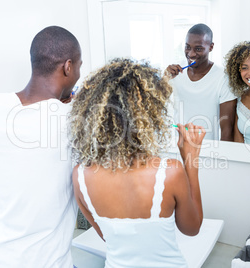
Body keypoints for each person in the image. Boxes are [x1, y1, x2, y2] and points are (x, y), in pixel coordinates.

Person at [69, 58, 205, 267]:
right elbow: (192, 228)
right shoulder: (169, 172)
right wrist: (191, 160)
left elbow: (108, 236)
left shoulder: (80, 176)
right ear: (150, 114)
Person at [0, 26, 82, 267]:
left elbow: (38, 112)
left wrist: (60, 104)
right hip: (47, 262)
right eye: (78, 66)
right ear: (67, 67)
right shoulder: (70, 122)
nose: (78, 73)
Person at [166, 23, 236, 141]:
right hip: (178, 146)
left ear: (211, 47)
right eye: (188, 47)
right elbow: (156, 105)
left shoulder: (223, 78)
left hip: (209, 151)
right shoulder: (175, 72)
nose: (191, 54)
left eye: (198, 49)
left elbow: (227, 129)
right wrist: (164, 80)